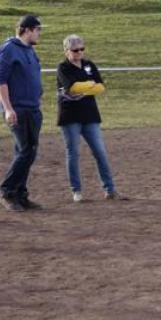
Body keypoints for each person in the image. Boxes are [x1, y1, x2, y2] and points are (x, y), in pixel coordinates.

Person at [56, 34, 128, 202]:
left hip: (90, 115)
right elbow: (72, 87)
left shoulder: (89, 65)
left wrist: (86, 88)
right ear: (67, 51)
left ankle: (110, 189)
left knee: (100, 152)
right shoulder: (63, 67)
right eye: (75, 50)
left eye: (82, 49)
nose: (79, 52)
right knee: (73, 153)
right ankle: (77, 191)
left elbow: (101, 87)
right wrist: (90, 85)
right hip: (70, 116)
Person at [0, 14, 45, 212]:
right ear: (27, 30)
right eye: (38, 30)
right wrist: (8, 108)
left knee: (29, 152)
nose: (39, 34)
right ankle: (7, 191)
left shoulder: (30, 51)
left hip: (32, 108)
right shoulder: (8, 49)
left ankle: (20, 194)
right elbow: (0, 81)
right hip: (18, 109)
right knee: (25, 151)